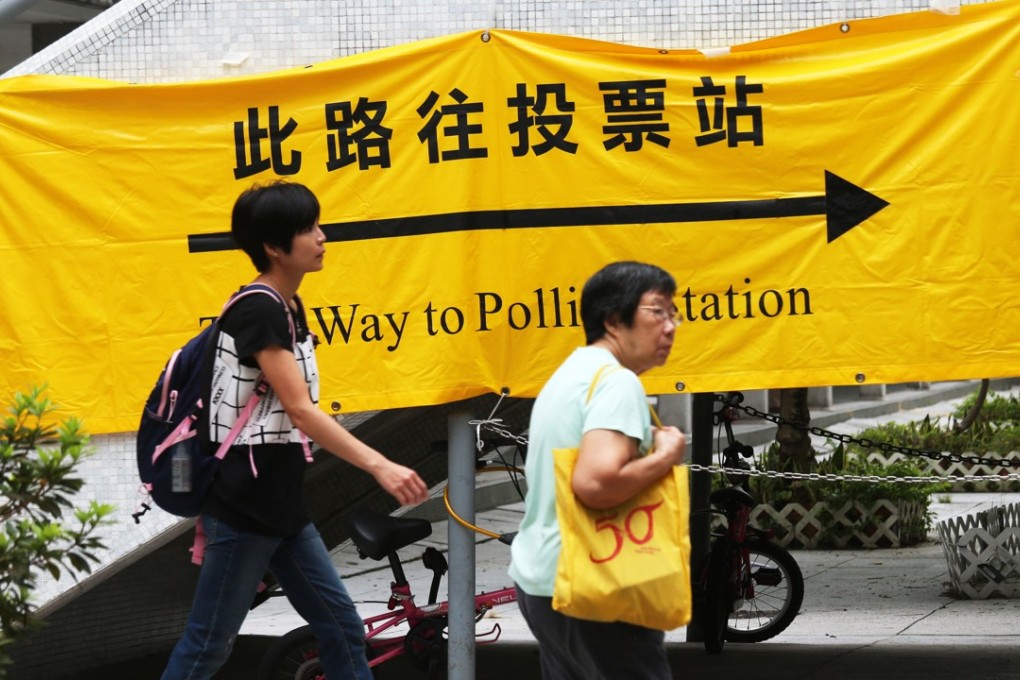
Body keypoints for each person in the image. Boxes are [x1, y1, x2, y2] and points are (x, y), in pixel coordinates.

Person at [161, 181, 428, 680]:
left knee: (343, 629)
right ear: (273, 246)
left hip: (278, 505)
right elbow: (300, 411)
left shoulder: (287, 307)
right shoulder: (259, 308)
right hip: (243, 509)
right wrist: (380, 464)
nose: (322, 237)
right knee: (208, 646)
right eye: (308, 229)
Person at [508, 260, 687, 680]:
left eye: (673, 313)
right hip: (596, 583)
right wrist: (665, 454)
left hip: (545, 581)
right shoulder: (616, 382)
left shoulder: (570, 374)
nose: (671, 326)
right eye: (657, 311)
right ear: (612, 319)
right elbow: (595, 482)